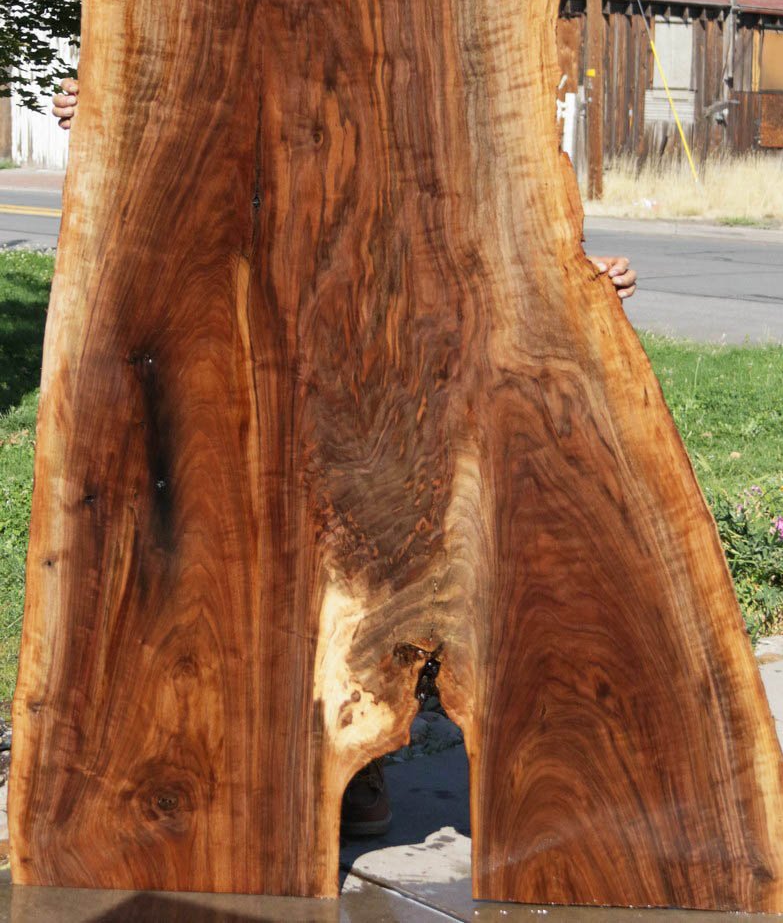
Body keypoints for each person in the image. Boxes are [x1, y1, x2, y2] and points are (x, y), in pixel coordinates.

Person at [51, 77, 636, 836]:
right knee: (235, 565)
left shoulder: (418, 133)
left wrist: (585, 285)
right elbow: (173, 188)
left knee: (363, 573)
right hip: (254, 355)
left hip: (379, 376)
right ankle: (242, 762)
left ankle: (353, 761)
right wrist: (103, 121)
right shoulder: (255, 112)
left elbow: (488, 241)